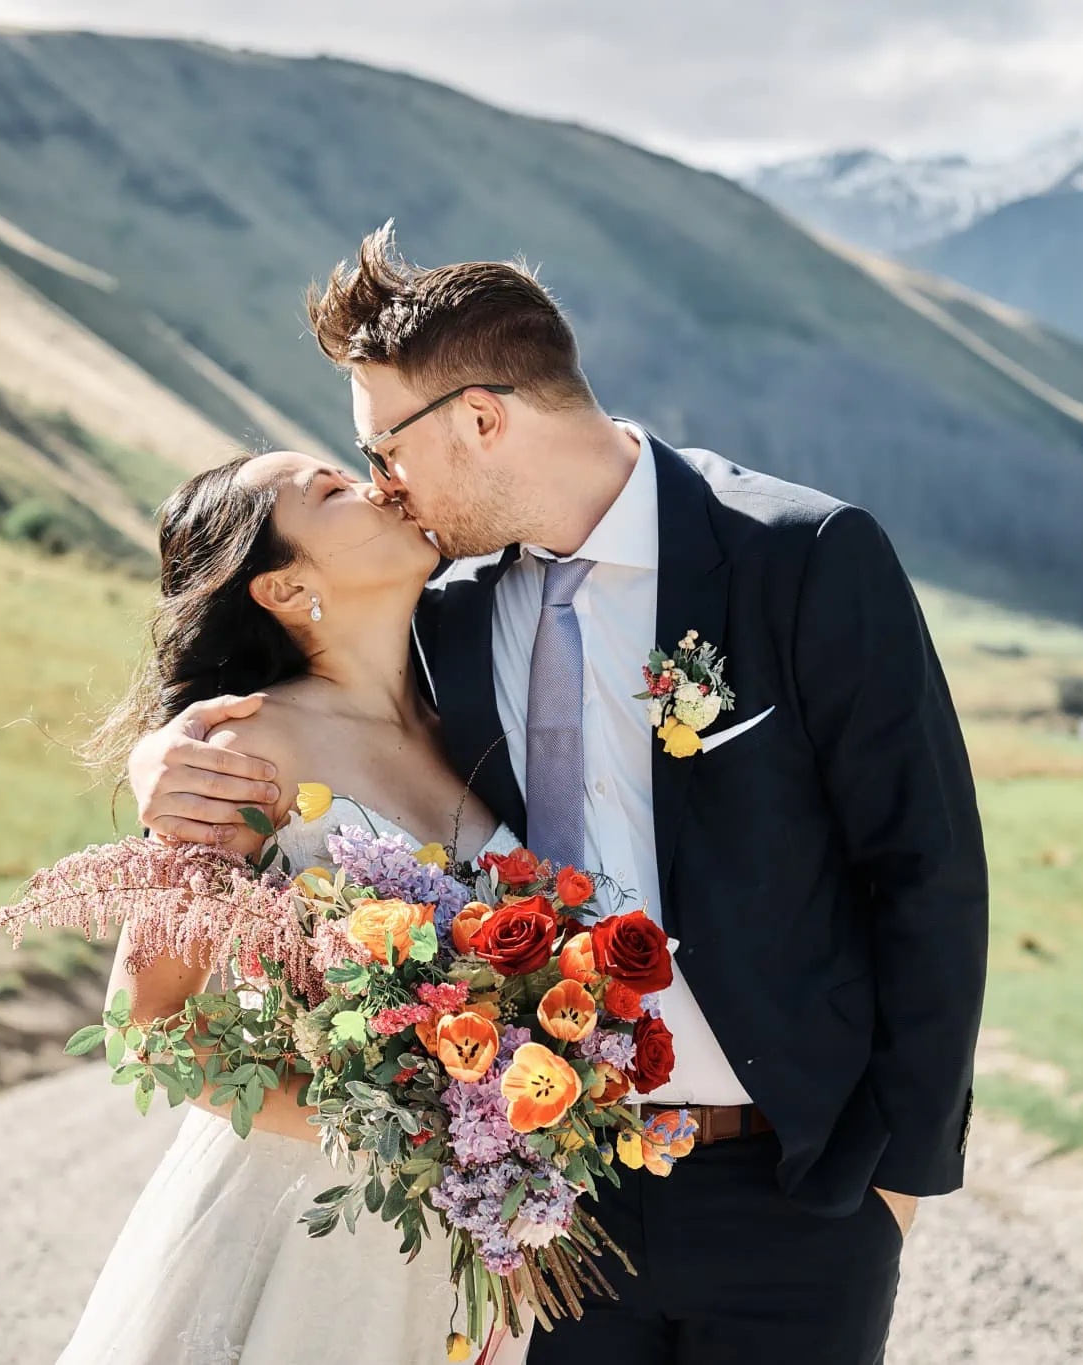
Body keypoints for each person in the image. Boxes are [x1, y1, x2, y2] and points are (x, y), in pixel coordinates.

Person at [127, 225, 990, 1365]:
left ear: (481, 420)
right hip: (550, 1213)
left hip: (791, 1192)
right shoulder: (444, 614)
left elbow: (925, 871)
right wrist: (165, 761)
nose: (382, 482)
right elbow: (302, 714)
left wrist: (896, 1184)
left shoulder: (798, 555)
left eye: (383, 447)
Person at [55, 450, 531, 1364]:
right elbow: (144, 1026)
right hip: (306, 1227)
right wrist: (402, 1128)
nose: (378, 483)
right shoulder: (241, 748)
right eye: (331, 491)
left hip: (463, 1240)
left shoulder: (469, 721)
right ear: (284, 587)